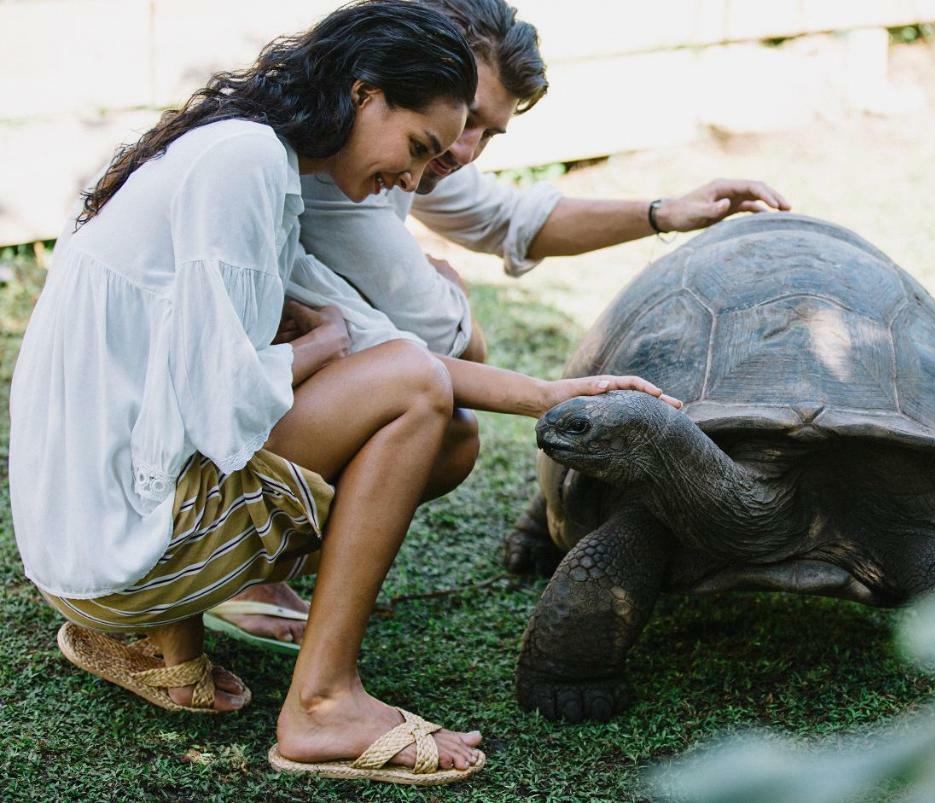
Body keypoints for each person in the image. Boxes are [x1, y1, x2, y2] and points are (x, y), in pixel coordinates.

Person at [9, 0, 677, 787]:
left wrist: (551, 394)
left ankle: (162, 638)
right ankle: (321, 702)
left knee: (417, 386)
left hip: (83, 549)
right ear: (363, 94)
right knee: (415, 391)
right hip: (112, 553)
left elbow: (368, 343)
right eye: (419, 148)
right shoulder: (247, 164)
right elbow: (223, 401)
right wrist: (319, 344)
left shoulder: (248, 153)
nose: (417, 178)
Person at [214, 0, 790, 648]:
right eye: (466, 119)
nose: (464, 149)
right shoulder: (335, 174)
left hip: (258, 392)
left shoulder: (405, 149)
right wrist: (451, 294)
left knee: (447, 426)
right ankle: (236, 574)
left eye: (487, 133)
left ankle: (259, 570)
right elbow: (445, 341)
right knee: (433, 416)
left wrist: (664, 211)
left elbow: (507, 217)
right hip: (214, 417)